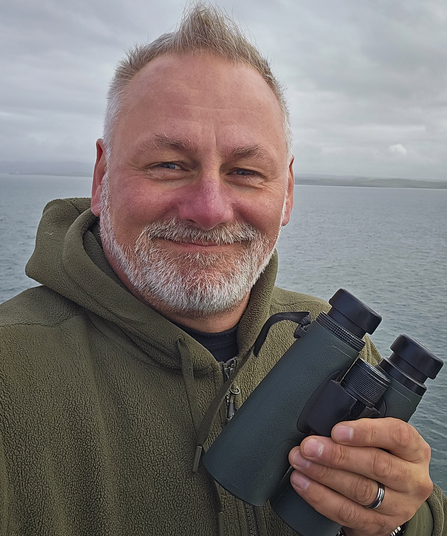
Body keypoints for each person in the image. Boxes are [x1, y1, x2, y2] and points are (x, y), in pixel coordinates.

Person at [0, 4, 445, 536]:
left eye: (246, 171)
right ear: (101, 177)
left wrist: (398, 519)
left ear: (287, 193)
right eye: (168, 164)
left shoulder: (336, 346)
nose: (209, 208)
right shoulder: (11, 373)